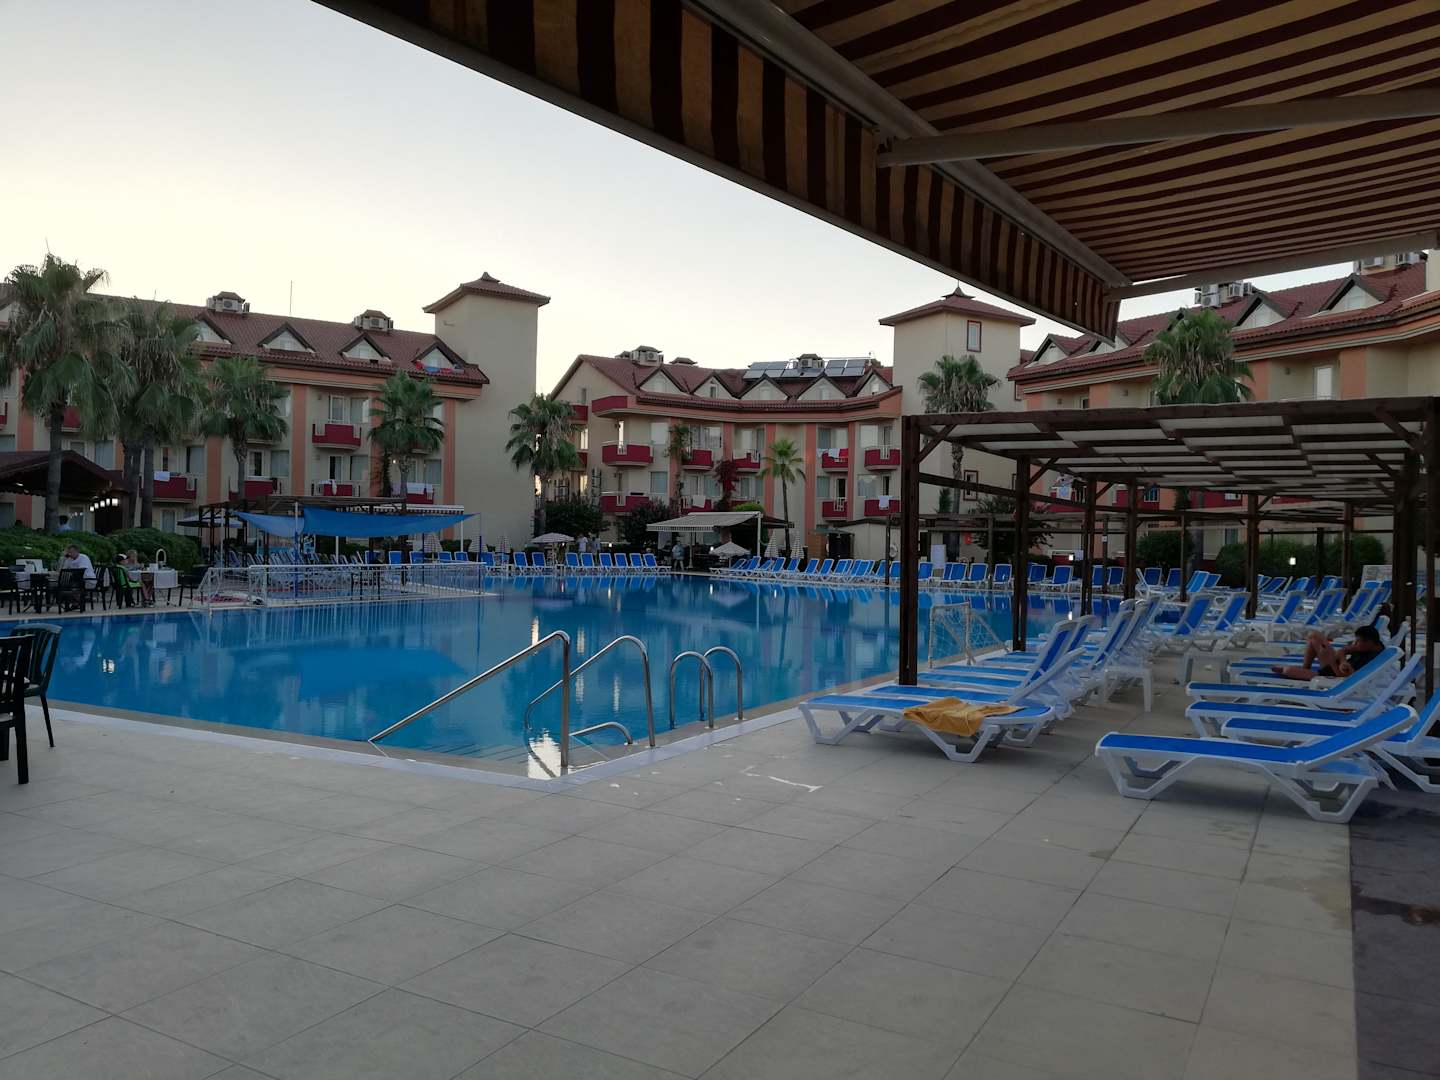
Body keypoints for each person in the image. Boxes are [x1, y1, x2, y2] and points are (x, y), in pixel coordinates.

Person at [1271, 624, 1384, 681]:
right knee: (1314, 635)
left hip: (1332, 677)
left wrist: (1333, 660)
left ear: (1369, 641)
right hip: (1336, 666)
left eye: (1358, 641)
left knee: (1288, 670)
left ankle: (1304, 673)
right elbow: (1345, 651)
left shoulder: (1371, 659)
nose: (1356, 644)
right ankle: (1305, 668)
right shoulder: (1372, 647)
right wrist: (1343, 657)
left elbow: (1344, 677)